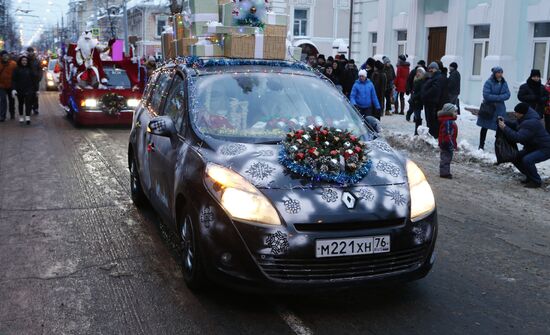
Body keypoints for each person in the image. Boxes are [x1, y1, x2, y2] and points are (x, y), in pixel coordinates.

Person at [498, 102, 550, 188]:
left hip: (545, 148)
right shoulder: (525, 118)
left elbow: (518, 138)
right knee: (515, 157)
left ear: (521, 113)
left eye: (516, 112)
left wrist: (504, 128)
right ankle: (530, 177)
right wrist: (504, 122)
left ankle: (536, 181)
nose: (515, 114)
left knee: (527, 160)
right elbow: (516, 125)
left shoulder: (531, 123)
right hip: (534, 147)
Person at [477, 66, 511, 150]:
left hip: (500, 109)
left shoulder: (504, 82)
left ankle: (498, 146)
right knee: (484, 126)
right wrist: (499, 97)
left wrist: (496, 97)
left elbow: (508, 94)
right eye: (498, 72)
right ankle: (481, 145)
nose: (500, 74)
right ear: (494, 73)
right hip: (489, 108)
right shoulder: (489, 82)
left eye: (501, 72)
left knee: (500, 128)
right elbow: (486, 95)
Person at [421, 62, 444, 138]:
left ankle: (434, 136)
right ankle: (431, 134)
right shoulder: (431, 77)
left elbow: (435, 90)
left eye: (432, 68)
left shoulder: (438, 77)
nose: (430, 70)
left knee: (432, 121)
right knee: (429, 121)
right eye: (429, 68)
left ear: (436, 69)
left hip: (433, 103)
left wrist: (425, 94)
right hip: (429, 102)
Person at [11, 55, 36, 125]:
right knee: (21, 103)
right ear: (20, 61)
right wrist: (14, 89)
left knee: (28, 104)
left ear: (27, 61)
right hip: (20, 89)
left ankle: (28, 117)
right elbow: (14, 80)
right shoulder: (16, 69)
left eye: (25, 60)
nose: (24, 62)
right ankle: (21, 116)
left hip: (29, 89)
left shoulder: (30, 69)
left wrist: (36, 90)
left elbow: (34, 80)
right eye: (23, 60)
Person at [438, 104, 459, 179]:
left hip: (447, 142)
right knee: (446, 158)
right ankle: (444, 173)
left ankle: (445, 171)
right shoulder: (448, 122)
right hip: (446, 143)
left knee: (447, 157)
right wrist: (451, 143)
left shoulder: (449, 121)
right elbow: (447, 134)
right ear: (449, 112)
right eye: (455, 112)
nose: (456, 113)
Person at [0, 50, 17, 121]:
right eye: (3, 56)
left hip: (11, 85)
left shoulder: (13, 64)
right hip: (1, 85)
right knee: (3, 100)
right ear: (1, 57)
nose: (5, 57)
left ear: (8, 56)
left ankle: (12, 113)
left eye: (6, 55)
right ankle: (2, 115)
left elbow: (16, 75)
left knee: (12, 100)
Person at [26, 47, 42, 115]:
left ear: (33, 52)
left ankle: (35, 108)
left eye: (31, 51)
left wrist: (39, 77)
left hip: (35, 80)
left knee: (35, 95)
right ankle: (29, 107)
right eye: (29, 51)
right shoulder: (25, 60)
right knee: (28, 95)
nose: (30, 52)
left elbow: (40, 70)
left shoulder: (37, 60)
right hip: (27, 81)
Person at [410, 67, 427, 135]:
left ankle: (417, 132)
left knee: (418, 116)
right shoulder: (416, 80)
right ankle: (416, 131)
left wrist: (414, 96)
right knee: (416, 116)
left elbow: (421, 92)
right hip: (414, 100)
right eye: (417, 72)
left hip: (418, 101)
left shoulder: (422, 81)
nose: (418, 73)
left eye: (420, 72)